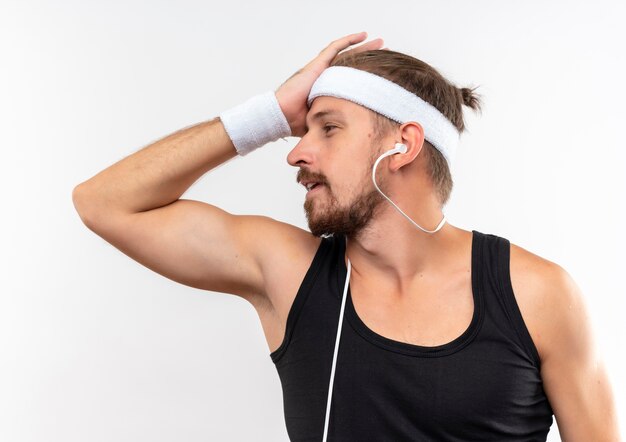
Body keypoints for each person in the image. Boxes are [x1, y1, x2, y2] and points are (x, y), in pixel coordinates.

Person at [72, 32, 619, 441]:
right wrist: (266, 114)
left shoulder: (539, 294)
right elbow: (103, 203)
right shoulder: (288, 272)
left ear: (402, 145)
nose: (296, 152)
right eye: (300, 129)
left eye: (328, 128)